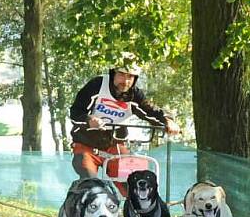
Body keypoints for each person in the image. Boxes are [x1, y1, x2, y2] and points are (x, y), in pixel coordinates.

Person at [69, 58, 180, 194]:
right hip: (86, 145)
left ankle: (136, 212)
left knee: (132, 184)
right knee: (91, 184)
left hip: (114, 145)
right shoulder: (97, 85)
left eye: (130, 77)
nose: (125, 81)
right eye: (121, 74)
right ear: (113, 74)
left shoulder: (135, 95)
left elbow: (151, 111)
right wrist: (88, 119)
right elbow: (75, 112)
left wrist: (167, 120)